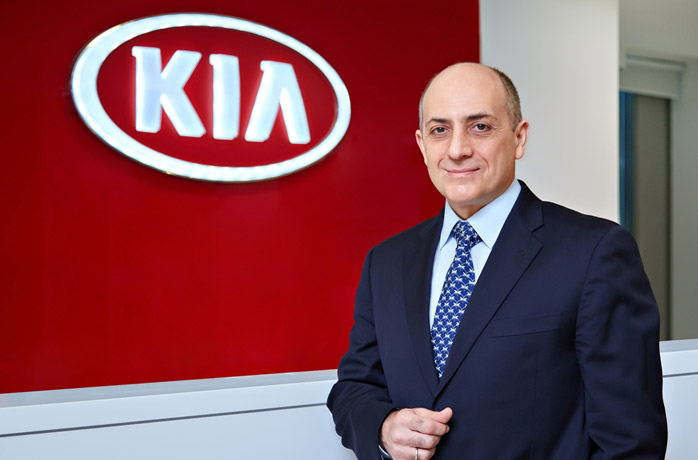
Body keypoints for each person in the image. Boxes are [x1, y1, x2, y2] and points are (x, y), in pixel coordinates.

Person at [327, 63, 667, 460]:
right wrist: (383, 428)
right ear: (422, 145)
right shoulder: (386, 263)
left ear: (519, 138)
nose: (457, 149)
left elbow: (631, 443)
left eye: (480, 127)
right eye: (440, 130)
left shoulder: (594, 252)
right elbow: (355, 387)